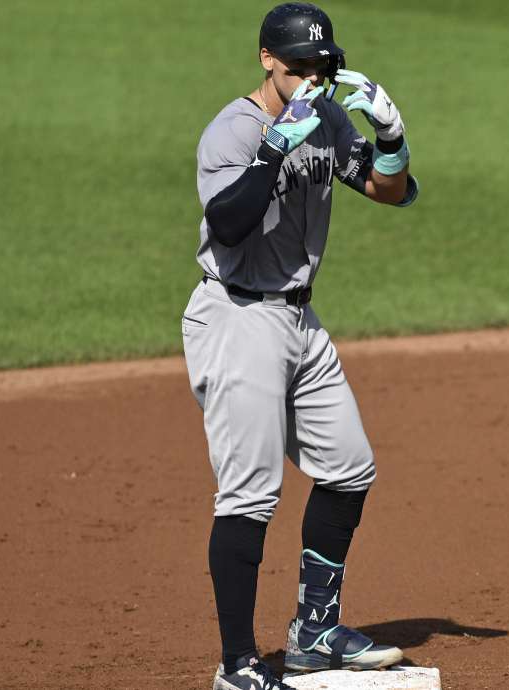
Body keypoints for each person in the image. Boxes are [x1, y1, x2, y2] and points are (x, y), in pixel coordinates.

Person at [181, 3, 419, 688]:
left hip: (298, 321)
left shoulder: (324, 114)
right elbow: (226, 225)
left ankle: (315, 631)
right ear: (267, 61)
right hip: (236, 316)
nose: (314, 78)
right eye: (300, 68)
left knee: (349, 469)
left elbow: (390, 190)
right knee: (250, 496)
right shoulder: (233, 131)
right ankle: (238, 666)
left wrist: (391, 134)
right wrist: (276, 146)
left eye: (324, 67)